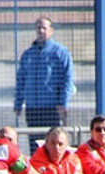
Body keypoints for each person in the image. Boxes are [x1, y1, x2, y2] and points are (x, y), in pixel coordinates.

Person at [14, 16, 74, 155]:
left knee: (52, 142)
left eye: (44, 28)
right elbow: (21, 80)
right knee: (35, 145)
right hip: (33, 107)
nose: (41, 31)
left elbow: (67, 79)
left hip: (52, 107)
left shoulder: (60, 52)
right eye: (38, 28)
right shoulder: (28, 54)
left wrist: (63, 103)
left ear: (51, 30)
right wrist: (18, 103)